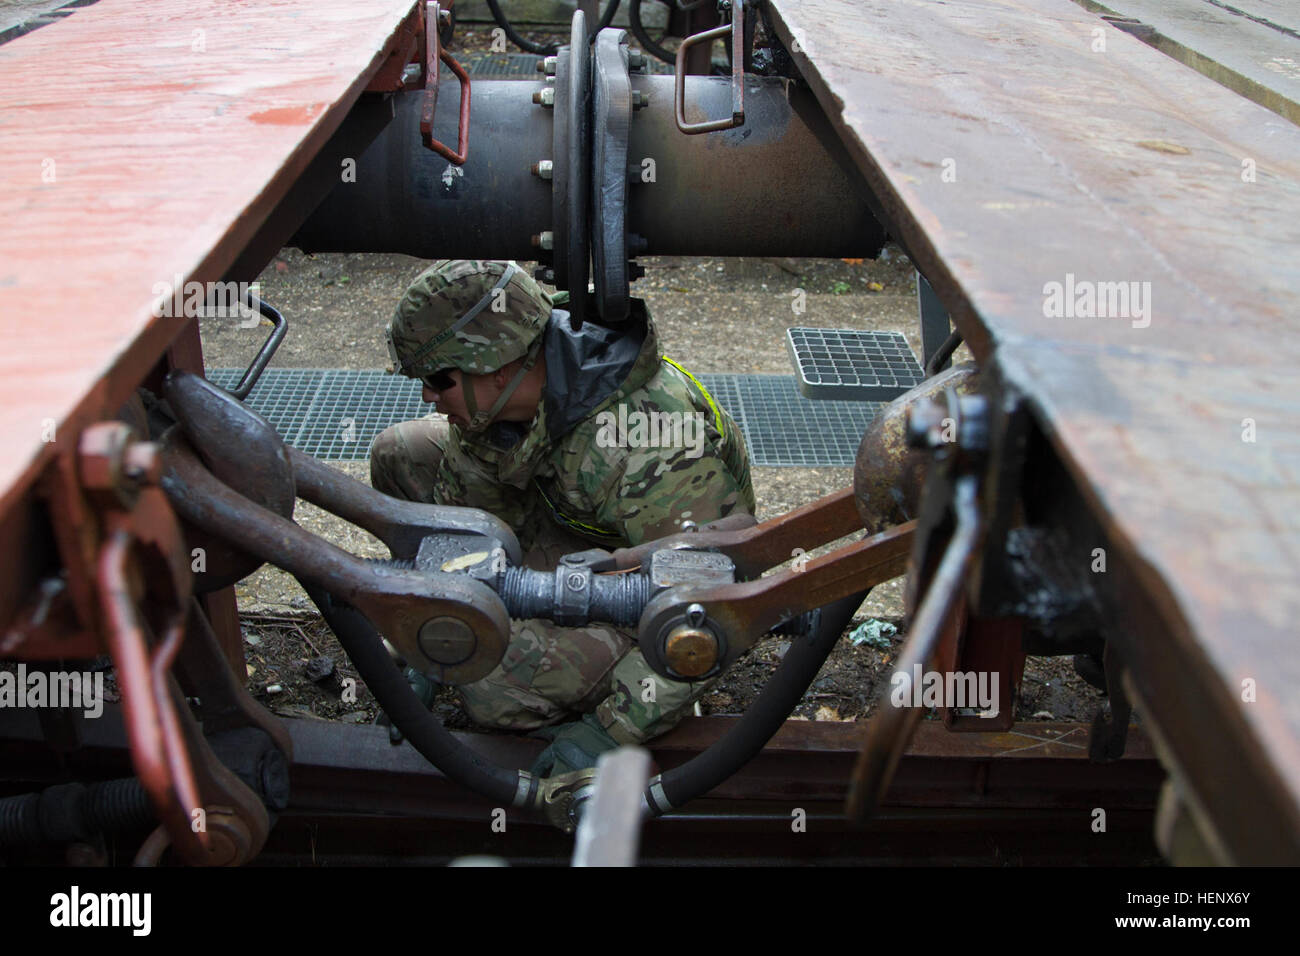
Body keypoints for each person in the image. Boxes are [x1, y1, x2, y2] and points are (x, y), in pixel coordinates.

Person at [371, 259, 756, 776]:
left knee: (489, 687)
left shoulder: (640, 443)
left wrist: (612, 730)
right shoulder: (502, 399)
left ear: (498, 367)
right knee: (401, 452)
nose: (427, 396)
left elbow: (723, 596)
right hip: (574, 517)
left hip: (651, 572)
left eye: (439, 379)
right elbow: (467, 513)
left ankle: (653, 693)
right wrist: (428, 631)